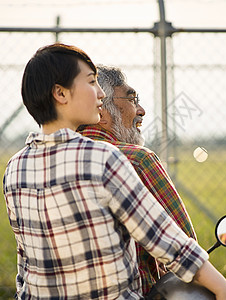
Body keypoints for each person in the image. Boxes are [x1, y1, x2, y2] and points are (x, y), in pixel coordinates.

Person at [3, 42, 226, 300]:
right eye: (91, 82)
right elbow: (169, 242)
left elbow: (26, 267)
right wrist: (224, 291)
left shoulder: (15, 167)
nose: (100, 95)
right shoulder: (104, 159)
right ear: (61, 93)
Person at [77, 65, 197, 294]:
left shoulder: (48, 161)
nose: (141, 110)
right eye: (132, 99)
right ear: (101, 109)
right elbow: (185, 246)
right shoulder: (138, 160)